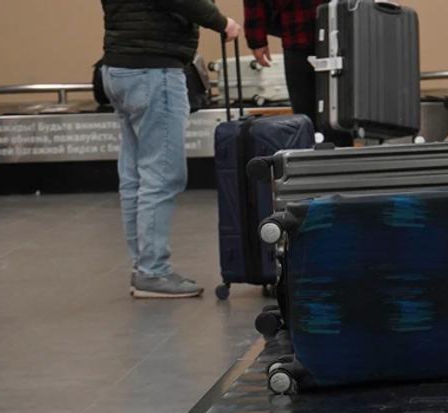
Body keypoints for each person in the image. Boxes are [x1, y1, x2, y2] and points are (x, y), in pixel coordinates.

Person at [100, 0, 241, 298]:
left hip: (118, 67)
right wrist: (221, 22)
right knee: (162, 174)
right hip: (154, 70)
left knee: (135, 176)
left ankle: (142, 268)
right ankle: (153, 271)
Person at [243, 0, 324, 126]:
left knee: (344, 110)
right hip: (298, 34)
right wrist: (257, 40)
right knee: (306, 117)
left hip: (343, 28)